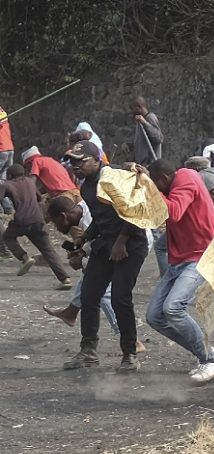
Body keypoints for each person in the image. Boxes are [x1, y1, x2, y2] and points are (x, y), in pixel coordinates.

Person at [62, 140, 149, 372]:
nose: (75, 166)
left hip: (131, 241)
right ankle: (88, 351)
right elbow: (102, 220)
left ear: (97, 160)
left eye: (81, 161)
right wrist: (84, 238)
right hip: (106, 243)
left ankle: (130, 353)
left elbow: (134, 210)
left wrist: (121, 242)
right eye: (72, 162)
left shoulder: (115, 176)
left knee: (121, 297)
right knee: (90, 295)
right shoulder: (86, 187)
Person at [140, 160, 214, 383]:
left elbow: (174, 212)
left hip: (202, 255)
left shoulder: (185, 177)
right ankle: (206, 353)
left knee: (173, 307)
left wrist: (148, 185)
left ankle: (209, 360)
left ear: (165, 178)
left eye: (157, 185)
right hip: (181, 258)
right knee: (154, 316)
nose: (157, 191)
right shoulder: (172, 186)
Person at [43, 195, 134, 349]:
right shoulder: (84, 208)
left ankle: (130, 339)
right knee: (91, 282)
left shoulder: (87, 219)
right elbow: (96, 243)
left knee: (102, 291)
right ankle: (71, 312)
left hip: (127, 243)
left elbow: (104, 246)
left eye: (56, 223)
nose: (57, 228)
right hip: (117, 241)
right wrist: (83, 253)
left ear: (63, 216)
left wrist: (83, 260)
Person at [0, 164, 72, 289]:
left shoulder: (7, 185)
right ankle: (65, 279)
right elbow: (39, 198)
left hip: (21, 221)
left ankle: (24, 257)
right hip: (38, 220)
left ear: (10, 176)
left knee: (8, 237)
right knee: (48, 250)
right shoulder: (30, 182)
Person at [129, 96, 163, 167]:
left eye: (133, 109)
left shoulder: (150, 118)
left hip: (150, 165)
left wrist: (145, 123)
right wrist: (129, 145)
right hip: (141, 165)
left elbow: (159, 138)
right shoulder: (140, 121)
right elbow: (142, 142)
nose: (132, 112)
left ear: (139, 107)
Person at [0, 105, 14, 213]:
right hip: (9, 148)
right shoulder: (2, 112)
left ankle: (2, 209)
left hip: (1, 150)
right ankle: (8, 208)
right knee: (3, 180)